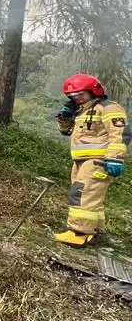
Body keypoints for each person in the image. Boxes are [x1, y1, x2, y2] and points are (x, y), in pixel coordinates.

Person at [54, 73, 129, 246]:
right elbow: (66, 131)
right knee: (92, 197)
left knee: (81, 194)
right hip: (81, 161)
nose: (77, 98)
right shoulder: (82, 110)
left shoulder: (109, 107)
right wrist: (64, 117)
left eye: (81, 94)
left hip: (98, 160)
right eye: (73, 96)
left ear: (94, 90)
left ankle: (79, 234)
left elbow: (120, 133)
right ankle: (95, 232)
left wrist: (115, 158)